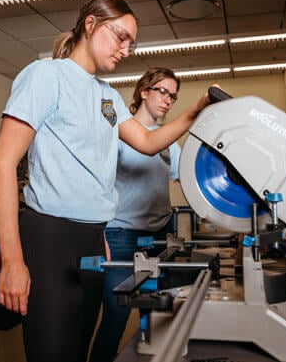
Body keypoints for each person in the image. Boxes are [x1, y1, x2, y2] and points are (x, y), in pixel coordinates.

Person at [0, 0, 215, 362]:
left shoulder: (107, 96)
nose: (126, 49)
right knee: (54, 351)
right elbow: (1, 164)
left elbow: (146, 140)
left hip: (94, 239)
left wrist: (197, 108)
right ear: (90, 25)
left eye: (132, 42)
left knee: (79, 348)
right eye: (120, 36)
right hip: (50, 235)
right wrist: (12, 259)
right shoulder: (46, 75)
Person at [90, 67, 182, 362]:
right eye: (162, 91)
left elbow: (190, 179)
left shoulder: (169, 140)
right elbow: (99, 185)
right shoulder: (118, 131)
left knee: (156, 313)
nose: (168, 100)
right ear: (144, 91)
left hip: (159, 234)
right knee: (116, 313)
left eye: (173, 96)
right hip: (121, 234)